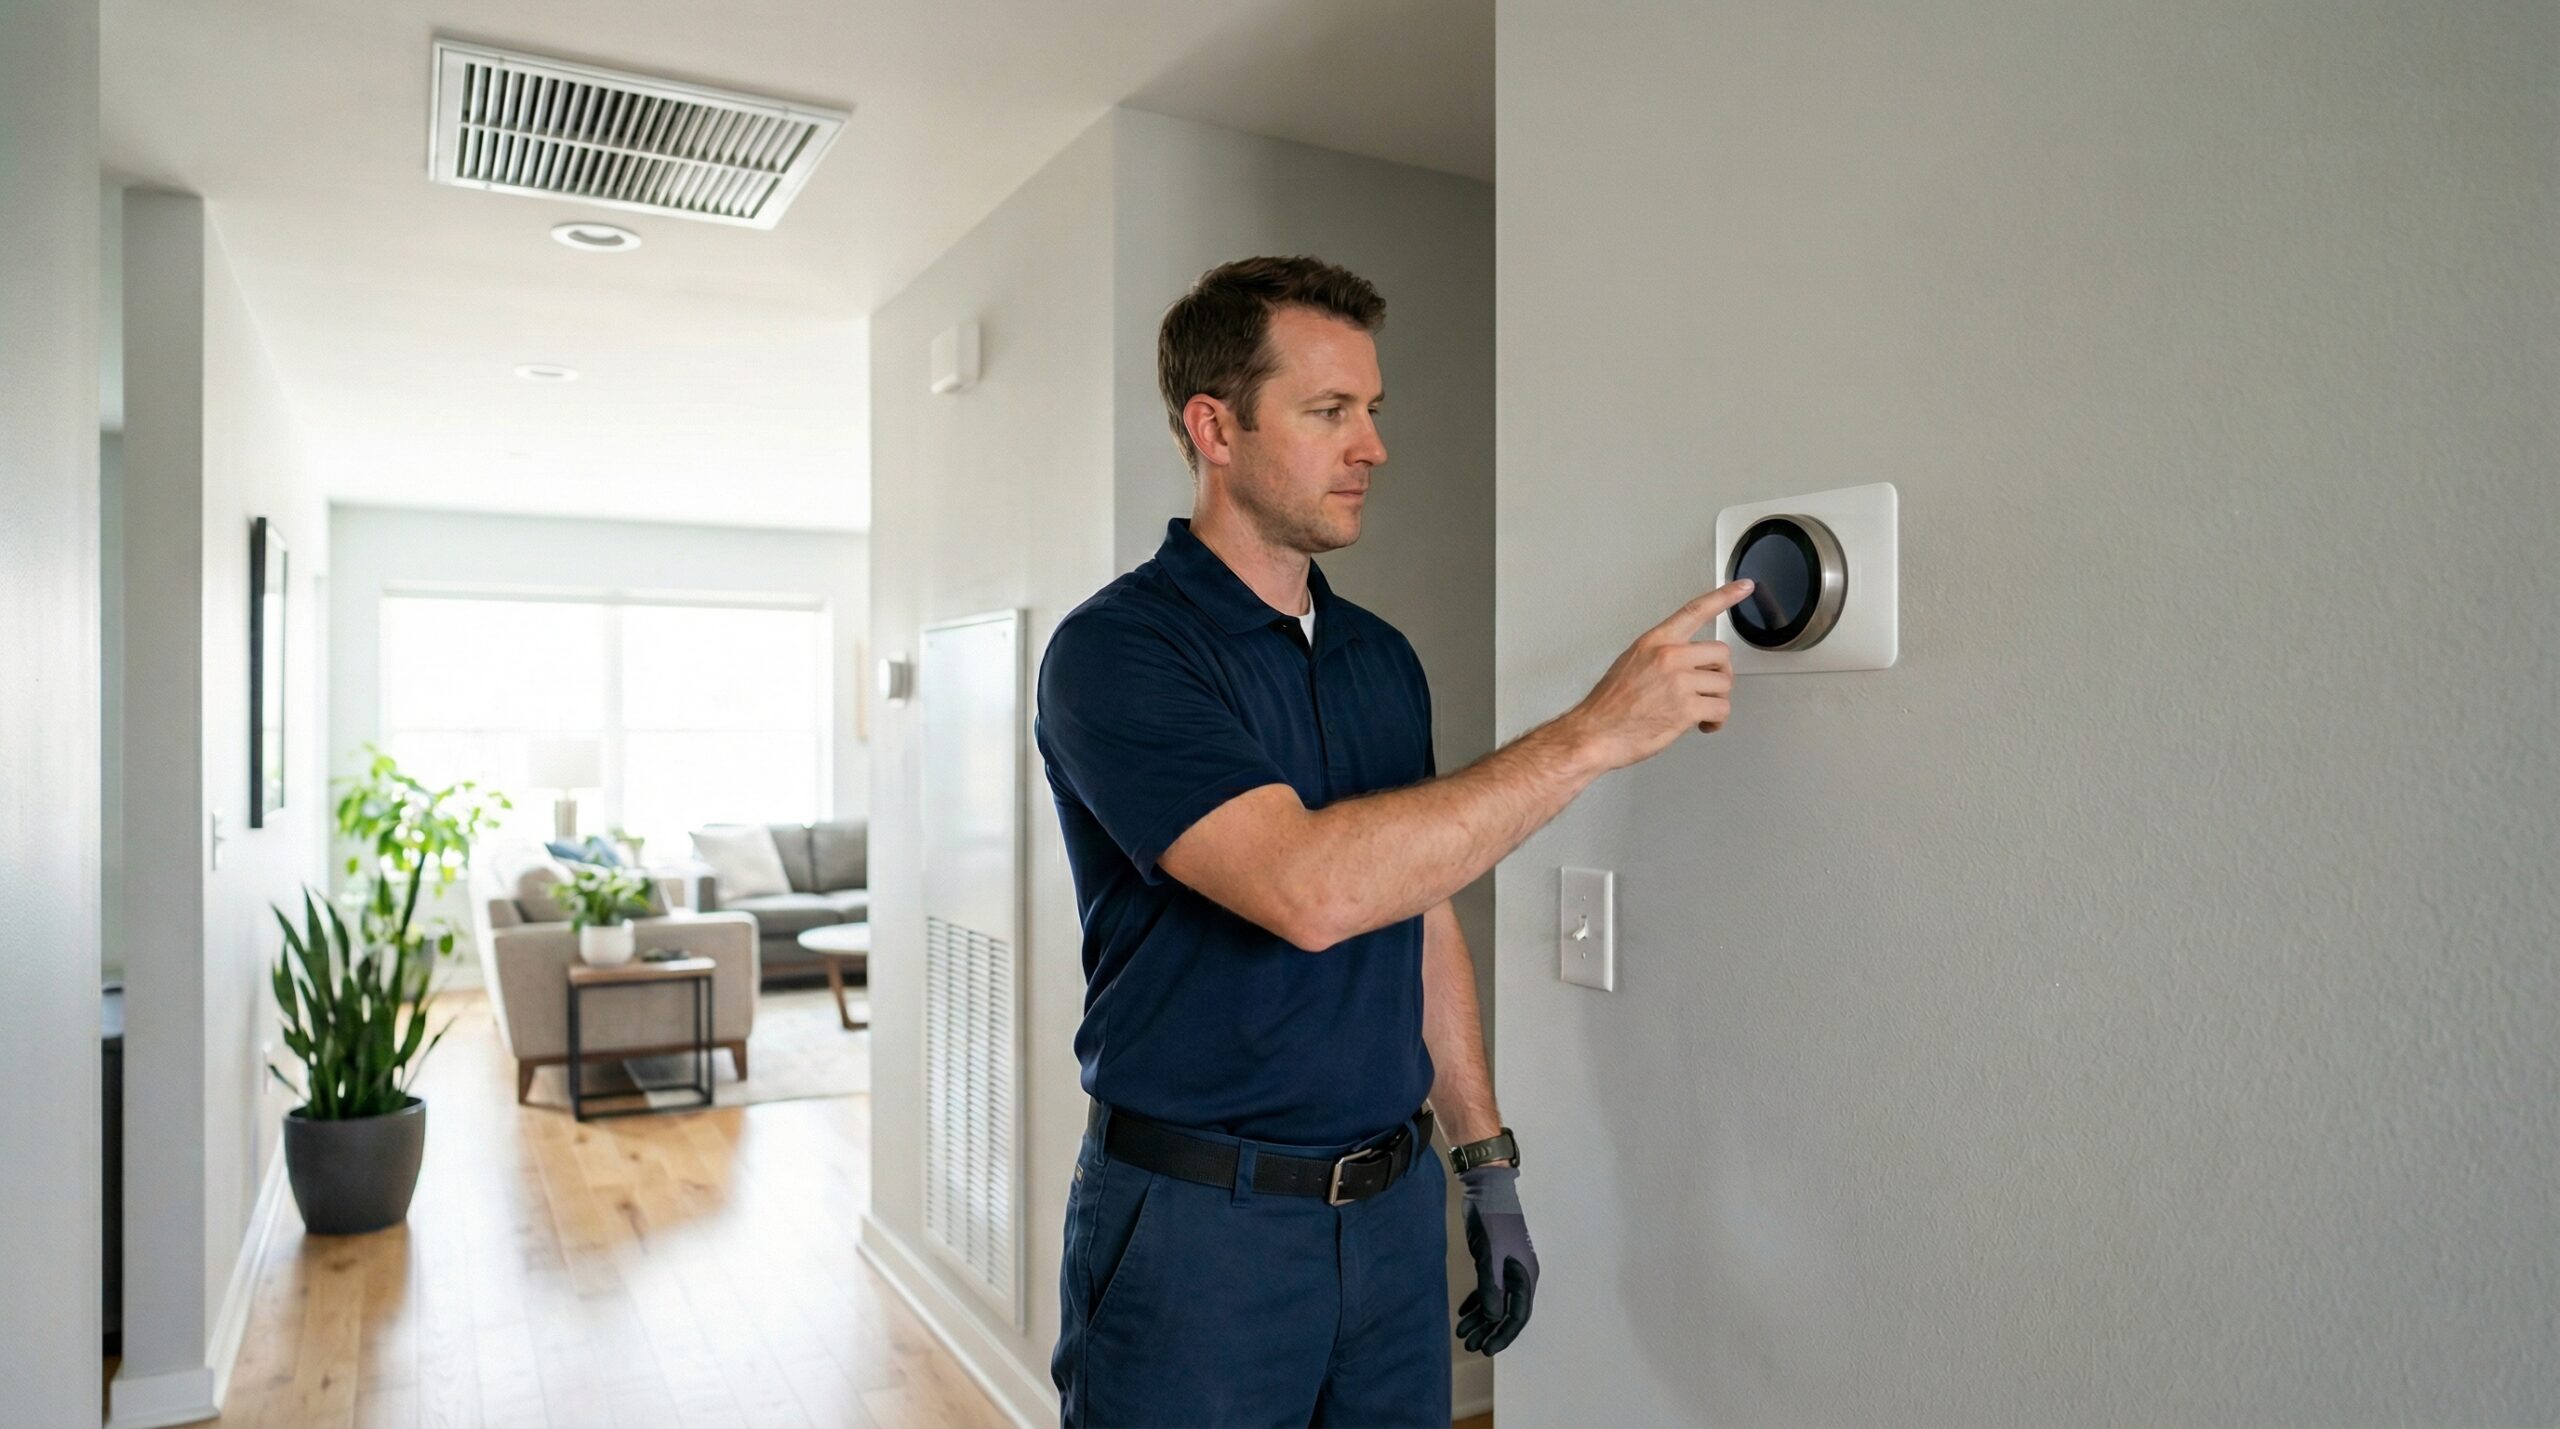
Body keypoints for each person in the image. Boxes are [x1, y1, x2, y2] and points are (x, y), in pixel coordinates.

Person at [1036, 255, 1754, 1428]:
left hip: (1386, 1220)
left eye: (1372, 410)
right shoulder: (1119, 653)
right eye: (1329, 412)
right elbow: (1307, 889)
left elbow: (1415, 900)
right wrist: (1589, 736)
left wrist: (1485, 1163)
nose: (1372, 444)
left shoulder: (1378, 658)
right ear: (1214, 427)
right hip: (1195, 1234)